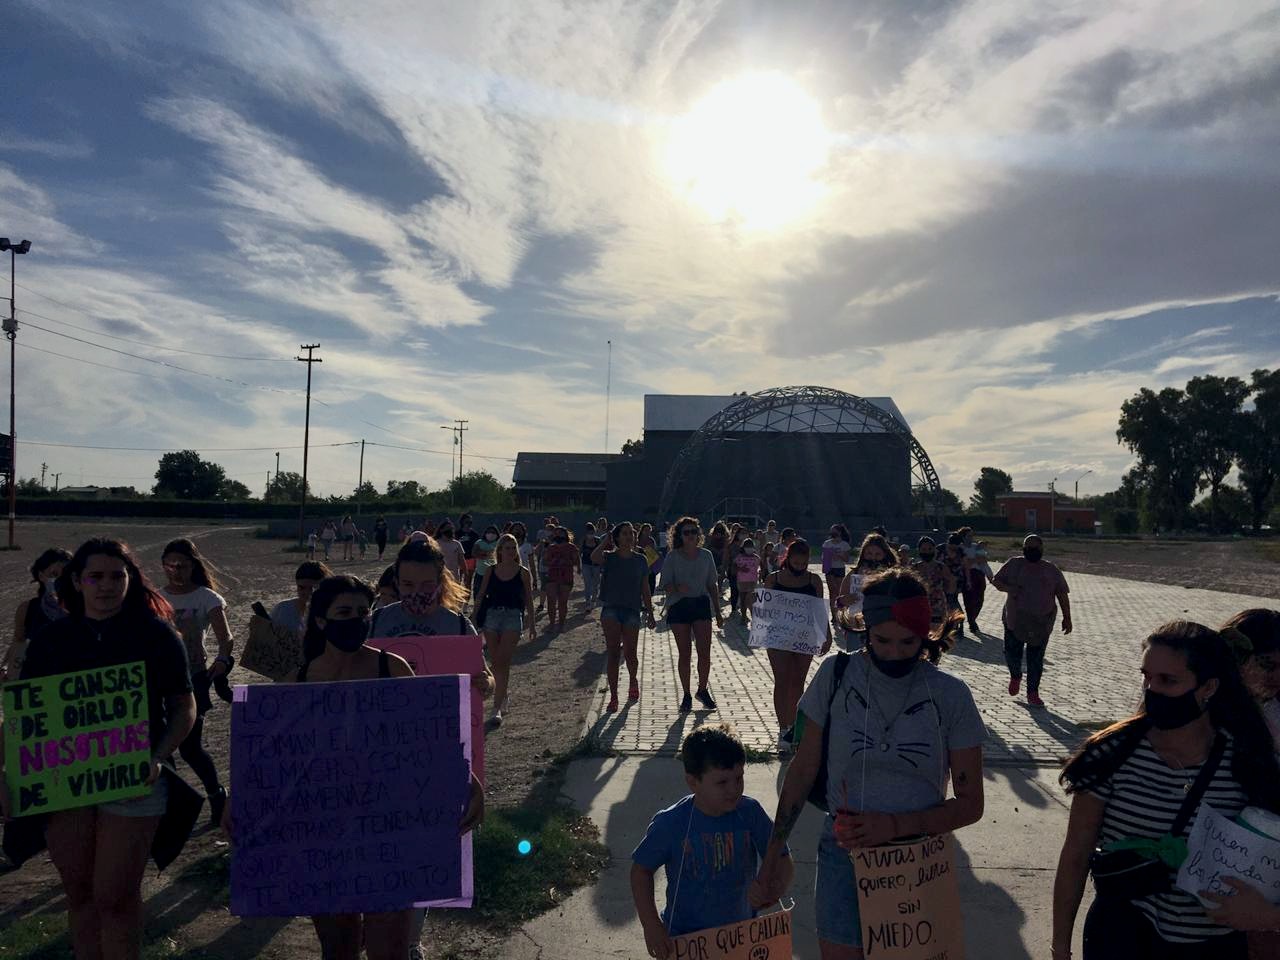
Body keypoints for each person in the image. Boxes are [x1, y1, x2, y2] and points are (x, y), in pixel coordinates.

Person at [754, 569, 985, 959]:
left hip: (916, 860)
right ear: (864, 628)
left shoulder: (950, 696)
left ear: (926, 633)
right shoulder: (836, 676)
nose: (894, 653)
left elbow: (971, 804)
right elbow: (803, 768)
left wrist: (894, 826)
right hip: (843, 855)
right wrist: (775, 849)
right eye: (882, 641)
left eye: (907, 642)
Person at [0, 538, 196, 960]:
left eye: (117, 576)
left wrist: (159, 755)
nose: (107, 586)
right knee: (81, 892)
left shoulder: (156, 634)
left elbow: (184, 705)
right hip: (64, 781)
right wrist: (7, 772)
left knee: (116, 895)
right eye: (96, 577)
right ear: (77, 581)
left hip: (135, 778)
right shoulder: (53, 639)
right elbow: (27, 713)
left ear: (130, 580)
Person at [273, 574, 485, 960]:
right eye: (344, 612)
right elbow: (273, 759)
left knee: (390, 949)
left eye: (362, 612)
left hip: (390, 827)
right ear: (321, 620)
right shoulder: (298, 682)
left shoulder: (393, 668)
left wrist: (468, 781)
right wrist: (240, 800)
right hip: (326, 831)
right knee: (338, 948)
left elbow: (430, 738)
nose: (356, 619)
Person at [1052, 621, 1280, 960]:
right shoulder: (1111, 752)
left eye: (1168, 681)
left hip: (1211, 946)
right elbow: (1076, 855)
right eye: (1146, 676)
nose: (1151, 689)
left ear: (1209, 687)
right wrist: (1061, 947)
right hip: (1121, 937)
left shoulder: (1247, 761)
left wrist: (1267, 913)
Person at [631, 725, 793, 957]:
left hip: (741, 937)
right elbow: (640, 872)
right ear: (693, 782)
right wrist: (652, 925)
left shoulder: (750, 812)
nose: (734, 789)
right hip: (685, 940)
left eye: (739, 778)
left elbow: (783, 857)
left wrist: (776, 886)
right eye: (722, 782)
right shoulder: (672, 823)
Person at [159, 538, 232, 827]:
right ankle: (172, 805)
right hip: (158, 680)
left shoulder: (206, 598)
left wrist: (222, 660)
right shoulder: (154, 597)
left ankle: (216, 794)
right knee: (161, 747)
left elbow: (225, 636)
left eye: (183, 565)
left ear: (193, 566)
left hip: (194, 677)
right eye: (171, 565)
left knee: (190, 747)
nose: (177, 571)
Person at [761, 538, 829, 751]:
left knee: (798, 682)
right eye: (796, 563)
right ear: (787, 559)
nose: (799, 568)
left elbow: (820, 610)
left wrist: (825, 634)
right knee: (781, 680)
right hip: (778, 636)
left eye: (803, 564)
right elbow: (765, 609)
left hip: (804, 635)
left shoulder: (814, 581)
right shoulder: (773, 579)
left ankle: (795, 729)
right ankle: (783, 728)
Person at [993, 533, 1072, 707]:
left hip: (1041, 620)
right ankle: (1016, 675)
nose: (1031, 550)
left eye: (1035, 547)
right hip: (1015, 617)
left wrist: (1067, 617)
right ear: (1023, 548)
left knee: (1035, 658)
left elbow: (1062, 594)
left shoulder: (1051, 570)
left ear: (1042, 549)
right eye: (1028, 547)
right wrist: (1010, 588)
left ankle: (1033, 693)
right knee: (1012, 653)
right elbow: (996, 581)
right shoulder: (1014, 564)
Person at [660, 517, 724, 711]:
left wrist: (718, 611)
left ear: (699, 535)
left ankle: (702, 690)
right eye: (686, 532)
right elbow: (665, 585)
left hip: (701, 604)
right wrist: (677, 587)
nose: (690, 536)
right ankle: (686, 694)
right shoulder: (672, 557)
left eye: (693, 532)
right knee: (685, 653)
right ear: (679, 535)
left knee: (704, 652)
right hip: (679, 605)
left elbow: (712, 584)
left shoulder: (706, 556)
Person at [592, 522, 655, 711]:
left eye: (631, 534)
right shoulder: (609, 557)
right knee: (613, 653)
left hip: (632, 609)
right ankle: (613, 695)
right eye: (625, 533)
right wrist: (605, 542)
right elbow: (593, 558)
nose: (629, 537)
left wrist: (651, 611)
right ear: (617, 537)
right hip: (611, 609)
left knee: (630, 653)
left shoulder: (641, 560)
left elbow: (645, 588)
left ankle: (633, 681)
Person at [474, 533, 535, 725]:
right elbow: (481, 595)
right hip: (492, 617)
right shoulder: (491, 571)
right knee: (497, 662)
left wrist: (532, 623)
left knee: (501, 662)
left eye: (512, 547)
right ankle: (503, 694)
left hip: (512, 618)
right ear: (499, 550)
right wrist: (474, 616)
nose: (509, 551)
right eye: (506, 547)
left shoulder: (523, 572)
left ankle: (496, 708)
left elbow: (529, 600)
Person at [2, 546, 71, 681]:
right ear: (41, 576)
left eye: (65, 575)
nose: (59, 581)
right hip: (38, 685)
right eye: (54, 574)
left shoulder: (85, 609)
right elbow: (18, 643)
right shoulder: (28, 609)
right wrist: (6, 669)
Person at [268, 560, 332, 636]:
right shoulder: (282, 610)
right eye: (302, 588)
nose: (308, 593)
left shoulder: (331, 613)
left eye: (313, 588)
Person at [911, 536, 955, 630]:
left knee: (936, 632)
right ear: (919, 550)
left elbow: (951, 581)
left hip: (938, 604)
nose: (927, 552)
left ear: (934, 550)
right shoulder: (914, 568)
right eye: (924, 549)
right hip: (920, 604)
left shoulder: (941, 567)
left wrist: (949, 597)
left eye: (930, 549)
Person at [542, 526, 579, 631]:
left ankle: (561, 624)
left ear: (566, 535)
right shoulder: (550, 547)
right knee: (551, 601)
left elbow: (576, 561)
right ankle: (552, 624)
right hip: (552, 576)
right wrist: (553, 562)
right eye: (556, 533)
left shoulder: (571, 547)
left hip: (566, 576)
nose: (558, 535)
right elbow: (544, 561)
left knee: (563, 602)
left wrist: (566, 562)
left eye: (561, 533)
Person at [821, 524, 852, 621]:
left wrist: (838, 555)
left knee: (839, 591)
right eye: (831, 531)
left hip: (839, 568)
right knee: (832, 592)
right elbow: (824, 558)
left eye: (834, 531)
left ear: (840, 532)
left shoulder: (844, 545)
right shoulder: (827, 543)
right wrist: (828, 557)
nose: (832, 533)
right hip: (830, 568)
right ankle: (834, 616)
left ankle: (840, 613)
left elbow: (846, 559)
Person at [733, 538, 761, 624]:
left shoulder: (756, 557)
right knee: (742, 600)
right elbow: (733, 567)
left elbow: (760, 567)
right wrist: (740, 568)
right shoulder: (739, 557)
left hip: (752, 582)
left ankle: (754, 618)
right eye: (747, 546)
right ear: (744, 547)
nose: (749, 548)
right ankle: (743, 617)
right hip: (742, 581)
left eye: (751, 546)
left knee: (750, 600)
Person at [471, 524, 500, 603]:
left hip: (494, 573)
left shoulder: (498, 543)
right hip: (480, 572)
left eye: (493, 532)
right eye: (489, 532)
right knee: (478, 592)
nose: (491, 534)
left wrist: (482, 552)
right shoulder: (479, 542)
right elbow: (474, 553)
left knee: (493, 593)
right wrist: (487, 553)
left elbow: (497, 553)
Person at [579, 522, 602, 611]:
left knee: (596, 584)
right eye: (589, 533)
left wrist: (601, 564)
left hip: (596, 565)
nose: (590, 535)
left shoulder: (598, 540)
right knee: (587, 584)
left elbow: (600, 552)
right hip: (586, 565)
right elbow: (579, 552)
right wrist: (578, 565)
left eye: (592, 532)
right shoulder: (583, 541)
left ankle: (593, 600)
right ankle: (588, 602)